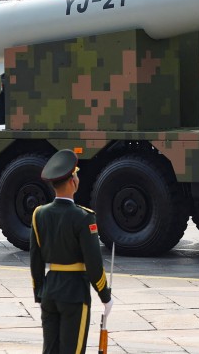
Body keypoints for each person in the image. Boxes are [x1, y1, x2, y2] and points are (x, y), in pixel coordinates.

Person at [30, 149, 113, 354]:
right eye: (76, 175)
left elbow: (35, 260)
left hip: (49, 291)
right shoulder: (84, 217)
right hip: (75, 293)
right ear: (72, 182)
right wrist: (105, 295)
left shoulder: (39, 214)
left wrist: (40, 291)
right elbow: (93, 264)